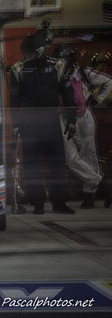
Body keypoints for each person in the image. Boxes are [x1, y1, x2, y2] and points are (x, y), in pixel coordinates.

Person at [9, 33, 77, 215]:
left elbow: (68, 94)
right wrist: (16, 125)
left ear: (40, 51)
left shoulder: (59, 65)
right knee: (31, 165)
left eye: (30, 52)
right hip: (29, 122)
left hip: (51, 121)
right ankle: (37, 203)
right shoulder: (18, 69)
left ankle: (59, 203)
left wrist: (71, 120)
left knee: (57, 163)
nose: (27, 55)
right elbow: (14, 100)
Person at [52, 45, 112, 209]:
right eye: (57, 58)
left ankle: (89, 196)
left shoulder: (84, 72)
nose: (59, 61)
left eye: (62, 58)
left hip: (83, 117)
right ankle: (100, 181)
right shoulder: (55, 75)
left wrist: (95, 100)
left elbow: (108, 81)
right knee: (70, 158)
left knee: (88, 154)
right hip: (64, 117)